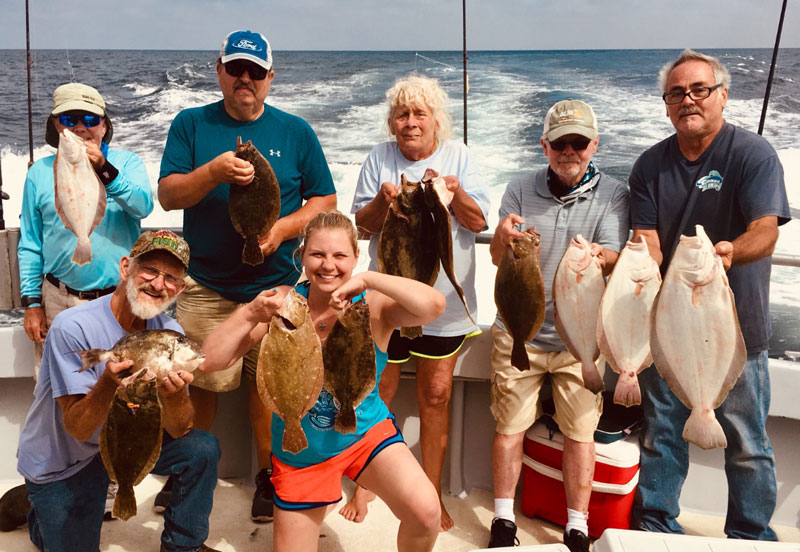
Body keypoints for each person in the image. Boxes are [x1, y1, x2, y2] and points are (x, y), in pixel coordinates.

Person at [158, 29, 336, 521]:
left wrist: (280, 229)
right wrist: (212, 173)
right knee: (200, 383)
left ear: (270, 79)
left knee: (271, 388)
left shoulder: (296, 132)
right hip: (206, 284)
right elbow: (169, 195)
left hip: (275, 285)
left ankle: (270, 475)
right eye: (236, 68)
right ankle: (188, 475)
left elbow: (325, 201)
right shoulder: (191, 124)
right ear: (218, 71)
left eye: (256, 72)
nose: (245, 79)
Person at [201, 210, 445, 552]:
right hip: (301, 451)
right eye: (317, 254)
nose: (328, 265)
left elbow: (433, 306)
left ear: (356, 257)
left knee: (426, 512)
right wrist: (248, 314)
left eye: (340, 255)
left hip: (366, 435)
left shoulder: (372, 305)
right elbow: (211, 360)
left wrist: (370, 280)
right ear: (301, 255)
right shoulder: (282, 305)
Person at [629, 49, 790, 541]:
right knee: (661, 437)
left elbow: (766, 230)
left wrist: (729, 254)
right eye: (676, 93)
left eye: (699, 89)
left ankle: (751, 535)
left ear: (723, 95)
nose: (688, 100)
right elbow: (650, 243)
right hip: (671, 329)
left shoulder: (752, 154)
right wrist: (628, 265)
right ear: (666, 104)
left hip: (737, 329)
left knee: (747, 442)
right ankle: (657, 528)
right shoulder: (649, 166)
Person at [15, 230, 221, 552]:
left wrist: (174, 394)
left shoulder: (172, 335)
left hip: (128, 440)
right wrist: (109, 383)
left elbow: (180, 428)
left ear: (179, 289)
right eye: (150, 270)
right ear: (126, 268)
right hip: (70, 458)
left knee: (202, 449)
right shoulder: (73, 327)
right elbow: (77, 428)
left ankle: (184, 546)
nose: (157, 283)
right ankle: (37, 508)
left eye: (170, 278)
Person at [348, 73, 490, 531]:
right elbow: (363, 228)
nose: (411, 123)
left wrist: (455, 191)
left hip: (443, 304)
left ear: (435, 122)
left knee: (435, 394)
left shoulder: (460, 157)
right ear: (392, 124)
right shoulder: (378, 159)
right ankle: (367, 484)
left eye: (420, 114)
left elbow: (479, 219)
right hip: (389, 304)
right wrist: (382, 201)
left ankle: (429, 491)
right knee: (378, 390)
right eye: (402, 115)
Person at [486, 99, 629, 551]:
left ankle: (577, 524)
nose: (570, 151)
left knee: (580, 432)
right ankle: (504, 519)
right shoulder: (519, 189)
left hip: (580, 339)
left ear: (594, 146)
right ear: (544, 146)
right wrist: (502, 238)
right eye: (560, 143)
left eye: (579, 143)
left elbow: (613, 260)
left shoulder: (615, 195)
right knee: (508, 427)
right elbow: (496, 259)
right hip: (518, 333)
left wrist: (599, 256)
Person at [18, 82, 153, 381]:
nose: (81, 128)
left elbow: (143, 206)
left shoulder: (126, 164)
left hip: (118, 300)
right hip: (58, 300)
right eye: (69, 120)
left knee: (125, 393)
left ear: (104, 125)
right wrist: (33, 303)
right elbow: (30, 242)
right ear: (57, 126)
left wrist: (105, 169)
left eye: (90, 120)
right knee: (60, 396)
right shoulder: (39, 173)